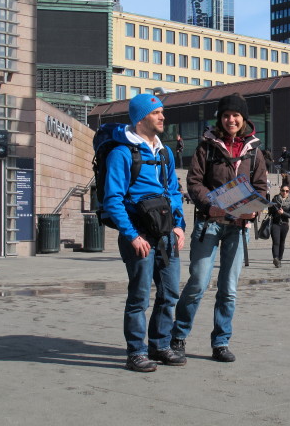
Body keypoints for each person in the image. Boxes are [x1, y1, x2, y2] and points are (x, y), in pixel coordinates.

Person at [171, 93, 267, 363]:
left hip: (238, 226)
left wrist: (253, 208)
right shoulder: (207, 147)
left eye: (235, 115)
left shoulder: (254, 151)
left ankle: (221, 342)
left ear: (244, 118)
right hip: (209, 224)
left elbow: (260, 187)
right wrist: (210, 204)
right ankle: (178, 336)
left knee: (229, 288)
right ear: (220, 118)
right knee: (198, 283)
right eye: (226, 115)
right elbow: (194, 183)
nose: (231, 119)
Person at [103, 93, 186, 373]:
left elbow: (173, 191)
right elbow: (112, 199)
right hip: (138, 234)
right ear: (141, 117)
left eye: (162, 112)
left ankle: (160, 345)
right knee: (140, 296)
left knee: (170, 292)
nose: (163, 117)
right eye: (156, 113)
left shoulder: (165, 152)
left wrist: (179, 225)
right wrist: (132, 235)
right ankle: (136, 352)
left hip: (166, 233)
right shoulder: (122, 152)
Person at [269, 184, 290, 268]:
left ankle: (279, 259)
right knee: (276, 242)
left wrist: (283, 213)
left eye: (287, 191)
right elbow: (270, 210)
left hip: (284, 224)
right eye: (283, 190)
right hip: (275, 223)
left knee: (282, 242)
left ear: (289, 192)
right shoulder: (275, 199)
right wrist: (275, 210)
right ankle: (275, 258)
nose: (284, 192)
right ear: (280, 191)